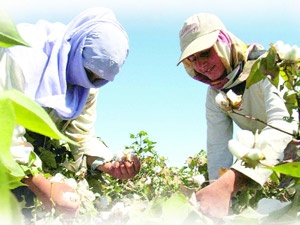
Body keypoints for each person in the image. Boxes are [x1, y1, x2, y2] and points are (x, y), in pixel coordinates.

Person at [0, 7, 141, 214]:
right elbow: (5, 133)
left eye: (98, 79)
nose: (89, 81)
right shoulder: (21, 56)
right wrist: (43, 186)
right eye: (88, 73)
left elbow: (80, 137)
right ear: (77, 47)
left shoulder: (88, 84)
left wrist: (107, 164)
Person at [177, 13, 298, 218]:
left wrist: (230, 183)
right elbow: (218, 147)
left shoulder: (267, 65)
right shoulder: (215, 94)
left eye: (206, 53)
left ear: (223, 43)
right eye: (193, 59)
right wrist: (216, 201)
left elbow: (285, 124)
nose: (201, 65)